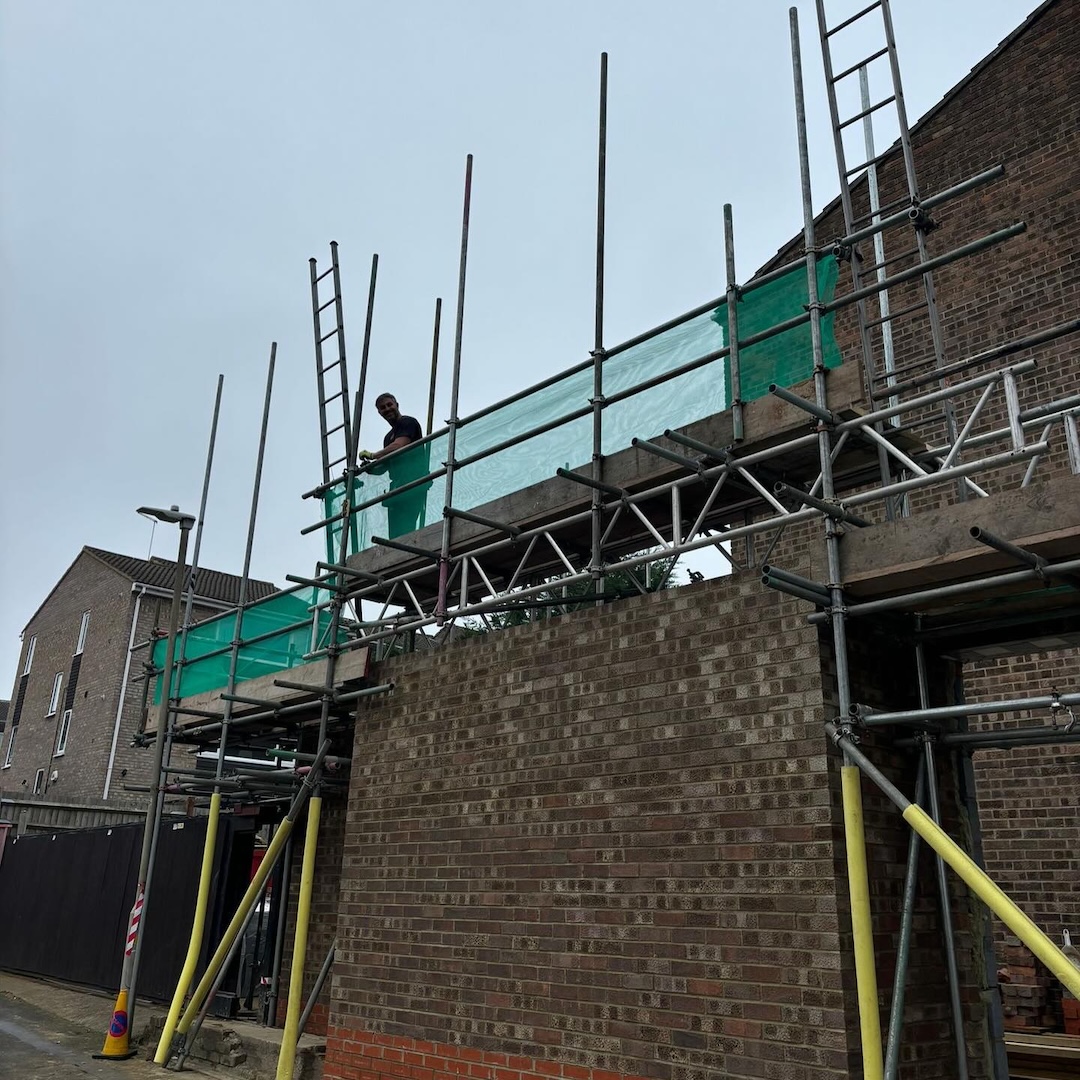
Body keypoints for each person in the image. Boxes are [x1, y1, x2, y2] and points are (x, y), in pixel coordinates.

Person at [358, 394, 429, 538]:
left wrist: (373, 455)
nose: (387, 409)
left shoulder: (408, 422)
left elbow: (399, 445)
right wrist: (368, 469)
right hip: (397, 488)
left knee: (406, 527)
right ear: (379, 412)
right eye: (382, 408)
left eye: (389, 405)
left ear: (397, 405)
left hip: (413, 483)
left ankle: (408, 548)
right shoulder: (388, 437)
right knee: (396, 534)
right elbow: (384, 466)